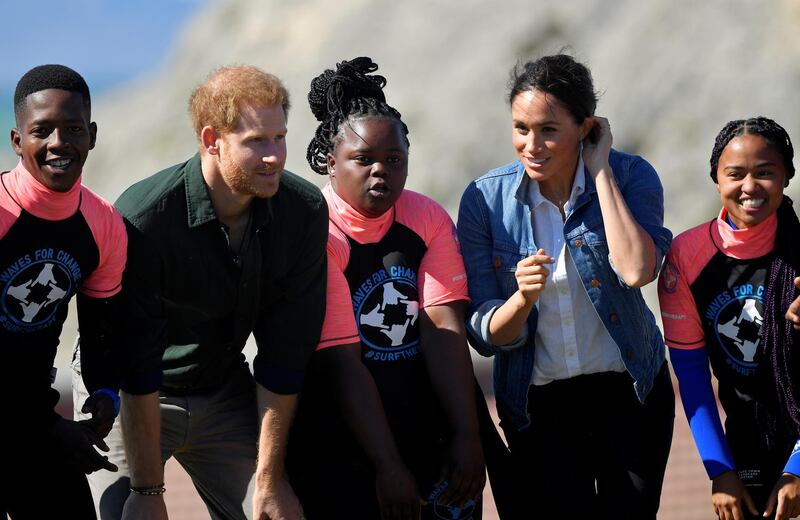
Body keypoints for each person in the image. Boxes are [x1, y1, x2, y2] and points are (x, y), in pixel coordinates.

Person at [73, 65, 328, 520]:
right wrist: (148, 493)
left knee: (275, 513)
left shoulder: (302, 212)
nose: (275, 156)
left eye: (280, 138)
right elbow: (135, 362)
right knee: (122, 515)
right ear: (212, 140)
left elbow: (285, 357)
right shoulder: (145, 218)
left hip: (220, 385)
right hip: (131, 391)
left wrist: (269, 483)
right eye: (256, 141)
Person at [456, 54, 675, 519]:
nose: (531, 144)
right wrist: (521, 300)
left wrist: (599, 169)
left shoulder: (632, 176)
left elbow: (637, 270)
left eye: (549, 130)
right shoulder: (483, 200)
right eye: (520, 128)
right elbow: (483, 333)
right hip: (539, 409)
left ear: (586, 127)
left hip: (631, 393)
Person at [285, 57, 485, 520]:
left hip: (424, 424)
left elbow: (443, 330)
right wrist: (388, 466)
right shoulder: (316, 230)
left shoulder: (426, 218)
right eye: (364, 159)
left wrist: (467, 436)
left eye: (394, 160)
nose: (381, 172)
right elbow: (340, 360)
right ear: (331, 163)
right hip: (338, 436)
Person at [0, 64, 126, 518]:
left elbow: (100, 331)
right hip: (34, 420)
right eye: (42, 130)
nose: (59, 143)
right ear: (18, 141)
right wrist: (45, 426)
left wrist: (106, 397)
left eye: (73, 129)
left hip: (35, 418)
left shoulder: (103, 224)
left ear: (91, 135)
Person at [659, 117, 800, 520]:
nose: (750, 186)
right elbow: (692, 378)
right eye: (735, 174)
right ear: (716, 179)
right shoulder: (687, 257)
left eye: (766, 173)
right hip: (746, 446)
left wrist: (798, 469)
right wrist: (719, 471)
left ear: (787, 176)